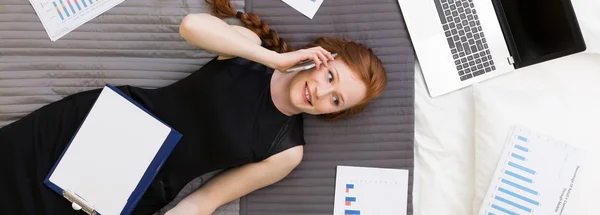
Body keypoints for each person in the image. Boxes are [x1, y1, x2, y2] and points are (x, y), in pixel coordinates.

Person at [0, 0, 387, 214]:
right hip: (101, 125)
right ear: (323, 57)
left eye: (335, 101)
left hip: (130, 190)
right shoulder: (252, 48)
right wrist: (275, 60)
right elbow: (191, 26)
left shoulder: (287, 151)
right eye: (331, 77)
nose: (321, 94)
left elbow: (206, 200)